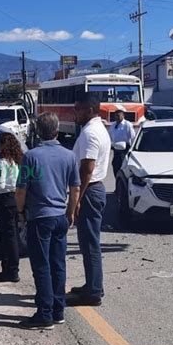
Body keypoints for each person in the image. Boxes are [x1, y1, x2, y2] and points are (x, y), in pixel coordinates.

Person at [16, 112, 80, 330]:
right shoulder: (69, 156)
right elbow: (75, 188)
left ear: (38, 131)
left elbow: (21, 189)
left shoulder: (31, 157)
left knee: (41, 267)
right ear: (57, 130)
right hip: (60, 216)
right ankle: (58, 310)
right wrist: (71, 212)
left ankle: (44, 314)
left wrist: (21, 212)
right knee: (58, 265)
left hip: (40, 218)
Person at [67, 92, 111, 307]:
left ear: (90, 110)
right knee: (87, 243)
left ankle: (93, 292)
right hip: (93, 189)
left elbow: (87, 169)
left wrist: (76, 199)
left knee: (90, 243)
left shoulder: (90, 133)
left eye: (78, 108)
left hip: (90, 190)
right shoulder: (95, 129)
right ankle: (92, 284)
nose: (75, 112)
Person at [0, 132, 23, 283]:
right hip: (14, 198)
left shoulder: (1, 163)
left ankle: (10, 270)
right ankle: (11, 268)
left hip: (4, 199)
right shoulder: (16, 161)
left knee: (7, 237)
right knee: (13, 236)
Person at [108, 109, 135, 178]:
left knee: (124, 167)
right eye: (116, 116)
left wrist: (132, 149)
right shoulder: (113, 125)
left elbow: (132, 137)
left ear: (123, 116)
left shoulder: (127, 125)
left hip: (125, 149)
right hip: (116, 149)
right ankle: (117, 183)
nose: (117, 117)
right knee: (115, 165)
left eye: (119, 115)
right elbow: (109, 136)